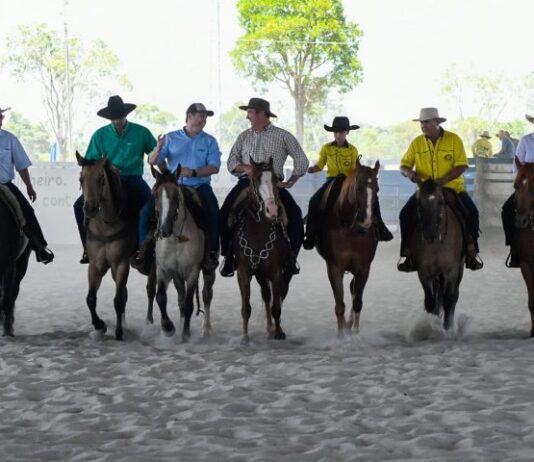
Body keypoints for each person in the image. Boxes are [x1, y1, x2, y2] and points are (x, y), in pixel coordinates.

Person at [219, 97, 309, 277]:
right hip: (247, 183)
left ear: (262, 114)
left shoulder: (283, 136)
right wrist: (247, 168)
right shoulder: (243, 136)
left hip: (273, 184)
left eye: (250, 112)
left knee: (296, 219)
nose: (247, 116)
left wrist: (290, 181)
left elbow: (301, 160)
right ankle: (229, 257)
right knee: (223, 215)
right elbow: (231, 161)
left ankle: (291, 258)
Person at [397, 107, 483, 272]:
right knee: (405, 214)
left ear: (436, 122)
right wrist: (409, 173)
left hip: (451, 189)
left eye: (427, 122)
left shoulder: (453, 140)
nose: (423, 126)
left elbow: (462, 165)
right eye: (422, 123)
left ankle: (472, 250)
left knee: (472, 212)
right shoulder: (417, 143)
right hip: (425, 191)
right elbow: (404, 165)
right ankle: (407, 252)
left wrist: (442, 181)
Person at [73, 95, 156, 263]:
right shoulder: (100, 135)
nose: (117, 120)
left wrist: (160, 151)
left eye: (119, 116)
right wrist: (108, 167)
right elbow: (90, 161)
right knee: (77, 206)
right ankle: (87, 249)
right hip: (106, 180)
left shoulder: (141, 132)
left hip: (133, 177)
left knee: (151, 203)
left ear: (126, 114)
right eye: (113, 118)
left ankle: (145, 248)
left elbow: (154, 154)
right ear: (109, 118)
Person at [138, 102, 221, 271]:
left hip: (199, 186)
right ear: (189, 116)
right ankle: (142, 250)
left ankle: (211, 252)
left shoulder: (210, 141)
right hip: (172, 186)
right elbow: (153, 161)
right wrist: (158, 148)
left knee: (213, 211)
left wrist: (193, 173)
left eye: (206, 117)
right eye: (201, 116)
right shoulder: (170, 138)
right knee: (145, 212)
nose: (204, 120)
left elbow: (214, 167)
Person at [303, 116, 393, 250]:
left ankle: (380, 225)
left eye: (342, 132)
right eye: (337, 132)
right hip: (332, 180)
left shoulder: (352, 149)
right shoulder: (326, 148)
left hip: (348, 180)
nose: (339, 135)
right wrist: (312, 169)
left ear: (347, 133)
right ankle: (310, 235)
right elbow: (321, 164)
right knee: (314, 201)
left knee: (371, 198)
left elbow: (354, 168)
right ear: (334, 133)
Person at [0, 105, 54, 264]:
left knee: (26, 211)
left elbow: (21, 165)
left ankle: (40, 247)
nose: (1, 118)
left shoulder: (10, 139)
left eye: (1, 115)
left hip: (4, 185)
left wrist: (29, 186)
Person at [501, 114, 534, 268]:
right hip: (527, 185)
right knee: (507, 210)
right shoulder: (526, 140)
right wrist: (521, 181)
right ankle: (515, 249)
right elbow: (517, 164)